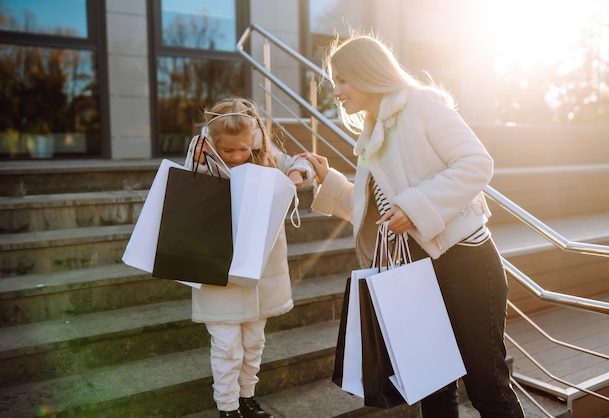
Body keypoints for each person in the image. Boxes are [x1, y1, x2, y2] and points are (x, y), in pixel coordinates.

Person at [301, 34, 526, 417]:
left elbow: (476, 163)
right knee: (434, 386)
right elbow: (384, 210)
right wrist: (332, 183)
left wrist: (415, 207)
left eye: (341, 80)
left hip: (465, 263)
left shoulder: (421, 105)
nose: (335, 91)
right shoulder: (371, 130)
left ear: (366, 73)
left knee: (485, 383)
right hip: (416, 270)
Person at [184, 97, 315, 418]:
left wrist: (298, 173)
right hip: (219, 270)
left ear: (254, 139)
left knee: (254, 342)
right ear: (212, 141)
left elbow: (305, 161)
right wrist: (199, 164)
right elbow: (184, 191)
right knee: (227, 346)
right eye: (227, 150)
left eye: (243, 148)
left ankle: (247, 397)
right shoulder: (201, 160)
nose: (236, 156)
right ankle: (227, 407)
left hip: (260, 273)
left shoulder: (267, 156)